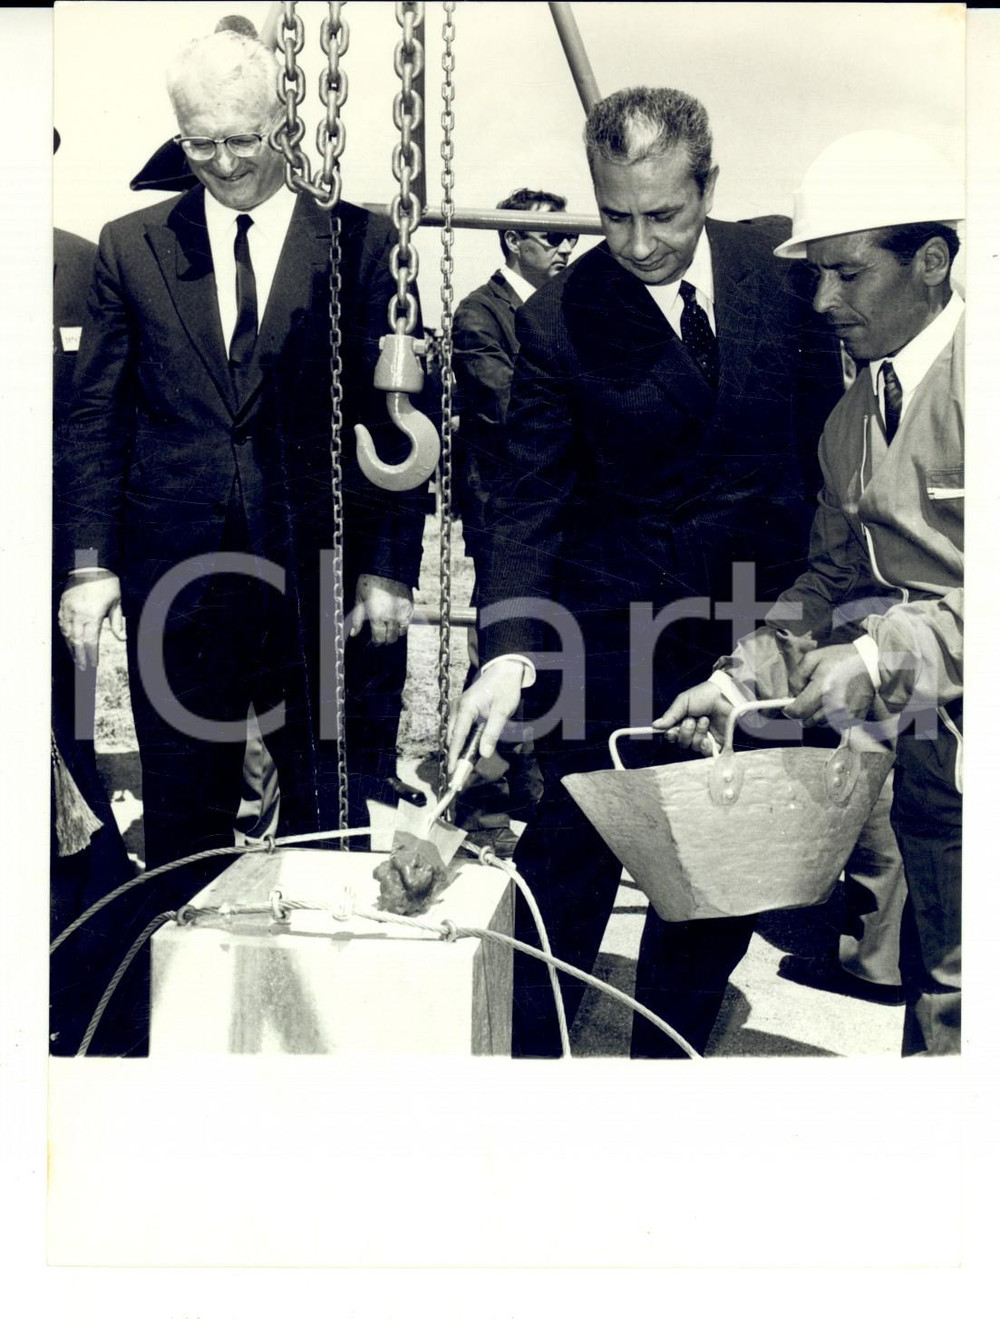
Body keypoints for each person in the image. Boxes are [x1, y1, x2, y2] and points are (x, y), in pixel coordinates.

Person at [448, 87, 844, 1057]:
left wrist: (808, 620)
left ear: (708, 185)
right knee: (571, 861)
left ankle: (663, 1077)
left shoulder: (782, 281)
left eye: (663, 213)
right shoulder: (558, 320)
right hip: (611, 637)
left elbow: (822, 459)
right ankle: (528, 1078)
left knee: (716, 884)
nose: (637, 241)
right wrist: (507, 651)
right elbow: (526, 502)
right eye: (614, 213)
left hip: (758, 632)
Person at [54, 30, 428, 1047]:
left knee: (330, 803)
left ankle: (330, 1021)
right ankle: (180, 1027)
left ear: (286, 123)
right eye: (200, 141)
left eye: (244, 139)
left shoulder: (362, 242)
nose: (224, 161)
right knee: (182, 816)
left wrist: (390, 569)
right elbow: (95, 417)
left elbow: (404, 424)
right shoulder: (134, 245)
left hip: (318, 575)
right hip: (178, 581)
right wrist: (89, 565)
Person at [657, 130, 964, 1056]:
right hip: (940, 770)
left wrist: (877, 657)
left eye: (848, 274)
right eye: (816, 276)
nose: (823, 301)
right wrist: (740, 677)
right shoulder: (851, 418)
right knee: (947, 993)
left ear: (933, 261)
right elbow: (833, 576)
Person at [450, 188, 570, 851]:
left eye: (568, 238)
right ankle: (482, 801)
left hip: (560, 507)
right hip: (505, 512)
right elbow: (506, 403)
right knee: (500, 645)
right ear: (511, 242)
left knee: (546, 646)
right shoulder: (478, 314)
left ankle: (529, 782)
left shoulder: (568, 310)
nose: (565, 249)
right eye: (550, 239)